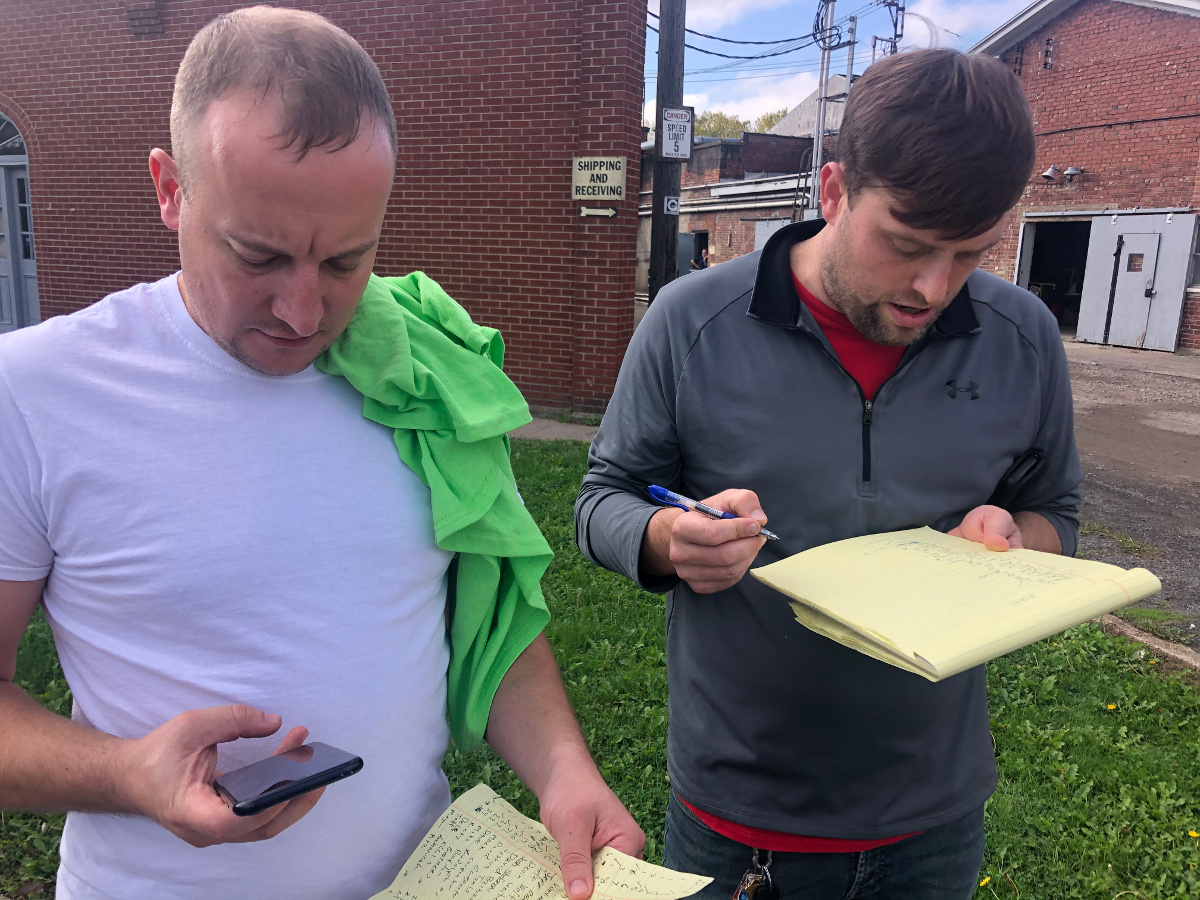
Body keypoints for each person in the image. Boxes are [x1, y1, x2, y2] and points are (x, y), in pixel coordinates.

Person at [0, 8, 641, 899]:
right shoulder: (31, 393)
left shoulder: (417, 370)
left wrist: (564, 770)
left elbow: (484, 625)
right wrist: (128, 775)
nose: (303, 314)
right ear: (170, 188)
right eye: (257, 256)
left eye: (346, 262)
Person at [575, 49, 1080, 900]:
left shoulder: (1024, 337)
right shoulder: (691, 320)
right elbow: (602, 501)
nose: (933, 288)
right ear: (836, 191)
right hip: (739, 820)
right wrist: (667, 538)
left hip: (936, 818)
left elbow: (1054, 511)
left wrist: (1015, 537)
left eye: (969, 256)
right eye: (908, 245)